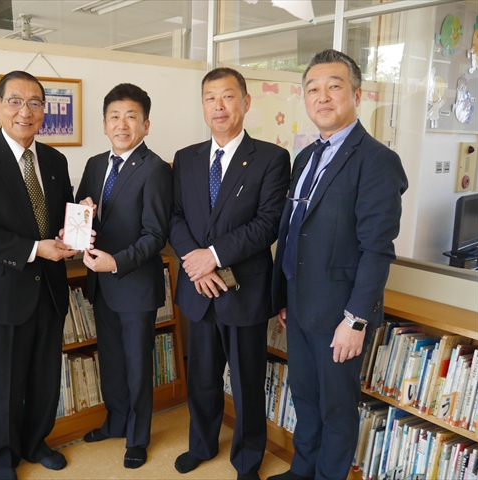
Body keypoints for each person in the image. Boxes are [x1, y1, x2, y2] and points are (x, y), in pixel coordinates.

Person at [269, 50, 408, 480]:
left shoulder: (377, 160)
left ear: (357, 95)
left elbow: (377, 249)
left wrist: (355, 320)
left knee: (336, 407)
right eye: (313, 89)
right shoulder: (305, 157)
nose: (322, 97)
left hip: (340, 315)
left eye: (334, 86)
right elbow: (295, 232)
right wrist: (285, 295)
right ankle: (302, 470)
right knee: (305, 397)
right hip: (300, 305)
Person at [0, 71, 78, 480]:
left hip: (50, 291)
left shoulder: (55, 160)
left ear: (44, 110)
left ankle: (36, 442)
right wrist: (35, 249)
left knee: (44, 378)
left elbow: (62, 218)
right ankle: (2, 460)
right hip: (0, 294)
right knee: (2, 385)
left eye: (35, 103)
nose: (26, 111)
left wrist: (76, 226)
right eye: (15, 101)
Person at [169, 67, 290, 480]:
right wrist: (195, 261)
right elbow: (175, 217)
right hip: (198, 289)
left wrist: (214, 256)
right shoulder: (185, 158)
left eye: (227, 97)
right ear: (203, 105)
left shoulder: (272, 158)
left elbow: (268, 223)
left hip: (245, 291)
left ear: (246, 102)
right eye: (210, 98)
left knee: (246, 382)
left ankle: (247, 460)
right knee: (202, 378)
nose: (218, 106)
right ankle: (201, 445)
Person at [75, 83, 173, 469]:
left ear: (146, 125)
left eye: (131, 117)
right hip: (100, 284)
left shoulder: (155, 169)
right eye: (114, 116)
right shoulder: (95, 164)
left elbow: (155, 235)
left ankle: (138, 437)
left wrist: (115, 262)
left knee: (137, 366)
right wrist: (82, 214)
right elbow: (81, 215)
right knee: (112, 361)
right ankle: (115, 422)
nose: (122, 124)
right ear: (104, 124)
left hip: (133, 284)